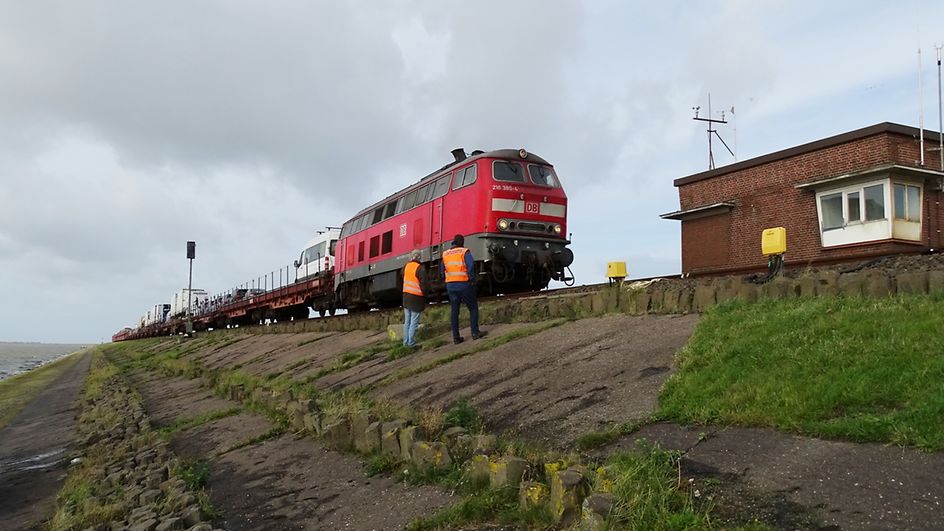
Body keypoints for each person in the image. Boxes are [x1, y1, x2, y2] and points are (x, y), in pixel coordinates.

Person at [441, 234, 484, 344]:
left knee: (455, 311)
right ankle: (475, 333)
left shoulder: (445, 254)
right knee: (473, 308)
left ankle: (456, 338)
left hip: (451, 286)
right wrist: (472, 280)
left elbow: (442, 270)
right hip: (464, 284)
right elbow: (470, 266)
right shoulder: (464, 252)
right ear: (462, 242)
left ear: (453, 242)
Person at [401, 251, 427, 348]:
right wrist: (425, 295)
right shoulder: (420, 269)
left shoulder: (405, 267)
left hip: (406, 297)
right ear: (419, 257)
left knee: (407, 321)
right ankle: (411, 342)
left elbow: (402, 277)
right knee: (414, 321)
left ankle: (405, 343)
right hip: (416, 297)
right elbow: (424, 284)